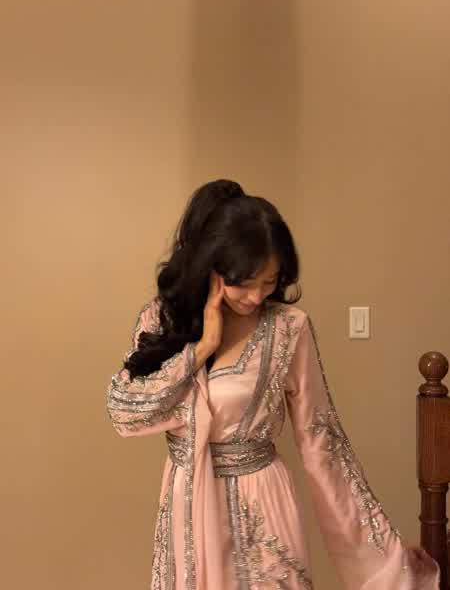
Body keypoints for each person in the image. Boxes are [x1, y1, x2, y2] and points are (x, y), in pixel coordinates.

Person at [106, 180, 440, 590]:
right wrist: (202, 348)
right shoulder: (162, 319)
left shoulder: (287, 328)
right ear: (212, 267)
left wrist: (384, 552)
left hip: (262, 507)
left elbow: (323, 441)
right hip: (186, 504)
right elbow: (124, 412)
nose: (255, 297)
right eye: (244, 283)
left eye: (269, 281)